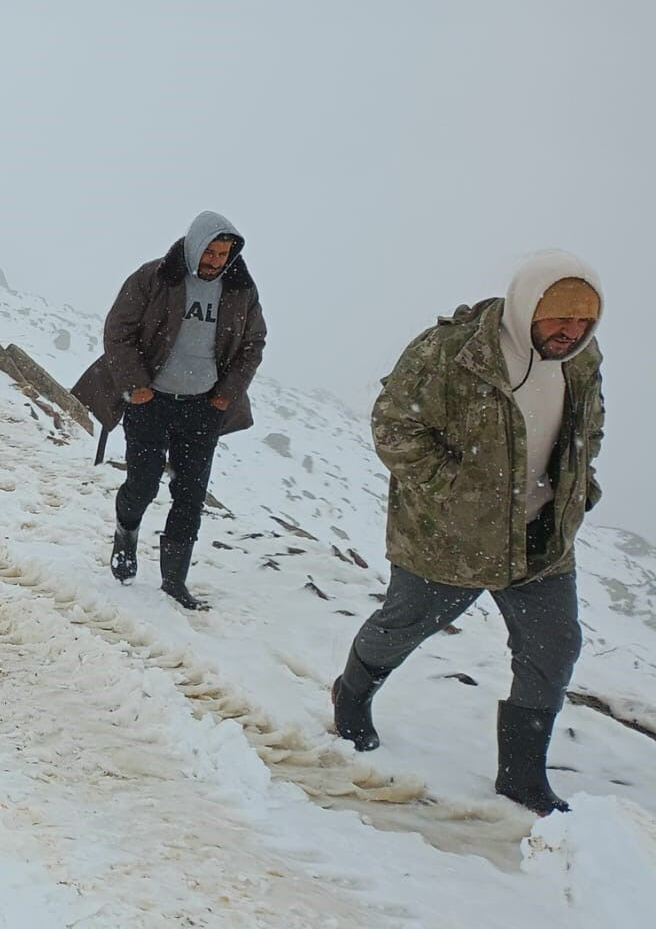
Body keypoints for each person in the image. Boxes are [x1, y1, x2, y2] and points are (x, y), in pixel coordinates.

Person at [330, 252, 604, 817]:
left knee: (553, 645)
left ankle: (522, 775)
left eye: (584, 322)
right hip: (450, 537)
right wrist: (451, 487)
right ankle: (351, 695)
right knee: (404, 626)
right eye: (559, 319)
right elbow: (394, 423)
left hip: (541, 536)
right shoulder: (455, 352)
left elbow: (589, 424)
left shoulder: (580, 360)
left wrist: (581, 480)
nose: (571, 333)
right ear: (530, 305)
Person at [71, 211, 267, 610]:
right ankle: (125, 535)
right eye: (210, 252)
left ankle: (175, 580)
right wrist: (136, 386)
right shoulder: (155, 277)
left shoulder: (241, 289)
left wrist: (225, 395)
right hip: (150, 402)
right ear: (195, 245)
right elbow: (118, 330)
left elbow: (253, 343)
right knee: (142, 484)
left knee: (191, 494)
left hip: (203, 408)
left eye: (223, 254)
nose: (215, 261)